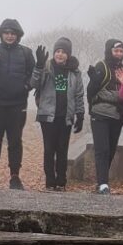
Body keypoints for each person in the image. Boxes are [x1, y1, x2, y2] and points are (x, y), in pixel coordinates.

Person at [0, 19, 37, 190]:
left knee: (15, 141)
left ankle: (15, 177)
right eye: (6, 32)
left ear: (18, 35)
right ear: (1, 34)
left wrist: (26, 87)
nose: (10, 36)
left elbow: (34, 74)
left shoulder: (26, 53)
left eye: (13, 33)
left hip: (17, 104)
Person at [34, 37, 85, 191]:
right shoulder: (47, 68)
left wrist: (80, 114)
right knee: (49, 149)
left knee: (62, 150)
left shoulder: (74, 72)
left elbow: (78, 94)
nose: (60, 54)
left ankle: (61, 181)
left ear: (68, 54)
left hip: (65, 117)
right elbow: (34, 83)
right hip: (48, 116)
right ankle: (50, 182)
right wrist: (38, 66)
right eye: (57, 51)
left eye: (63, 52)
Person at [86, 39, 123, 194]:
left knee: (111, 149)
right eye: (116, 51)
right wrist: (92, 107)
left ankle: (102, 180)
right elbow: (90, 91)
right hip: (100, 113)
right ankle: (103, 183)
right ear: (109, 51)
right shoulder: (102, 66)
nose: (119, 54)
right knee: (102, 149)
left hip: (116, 115)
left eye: (121, 51)